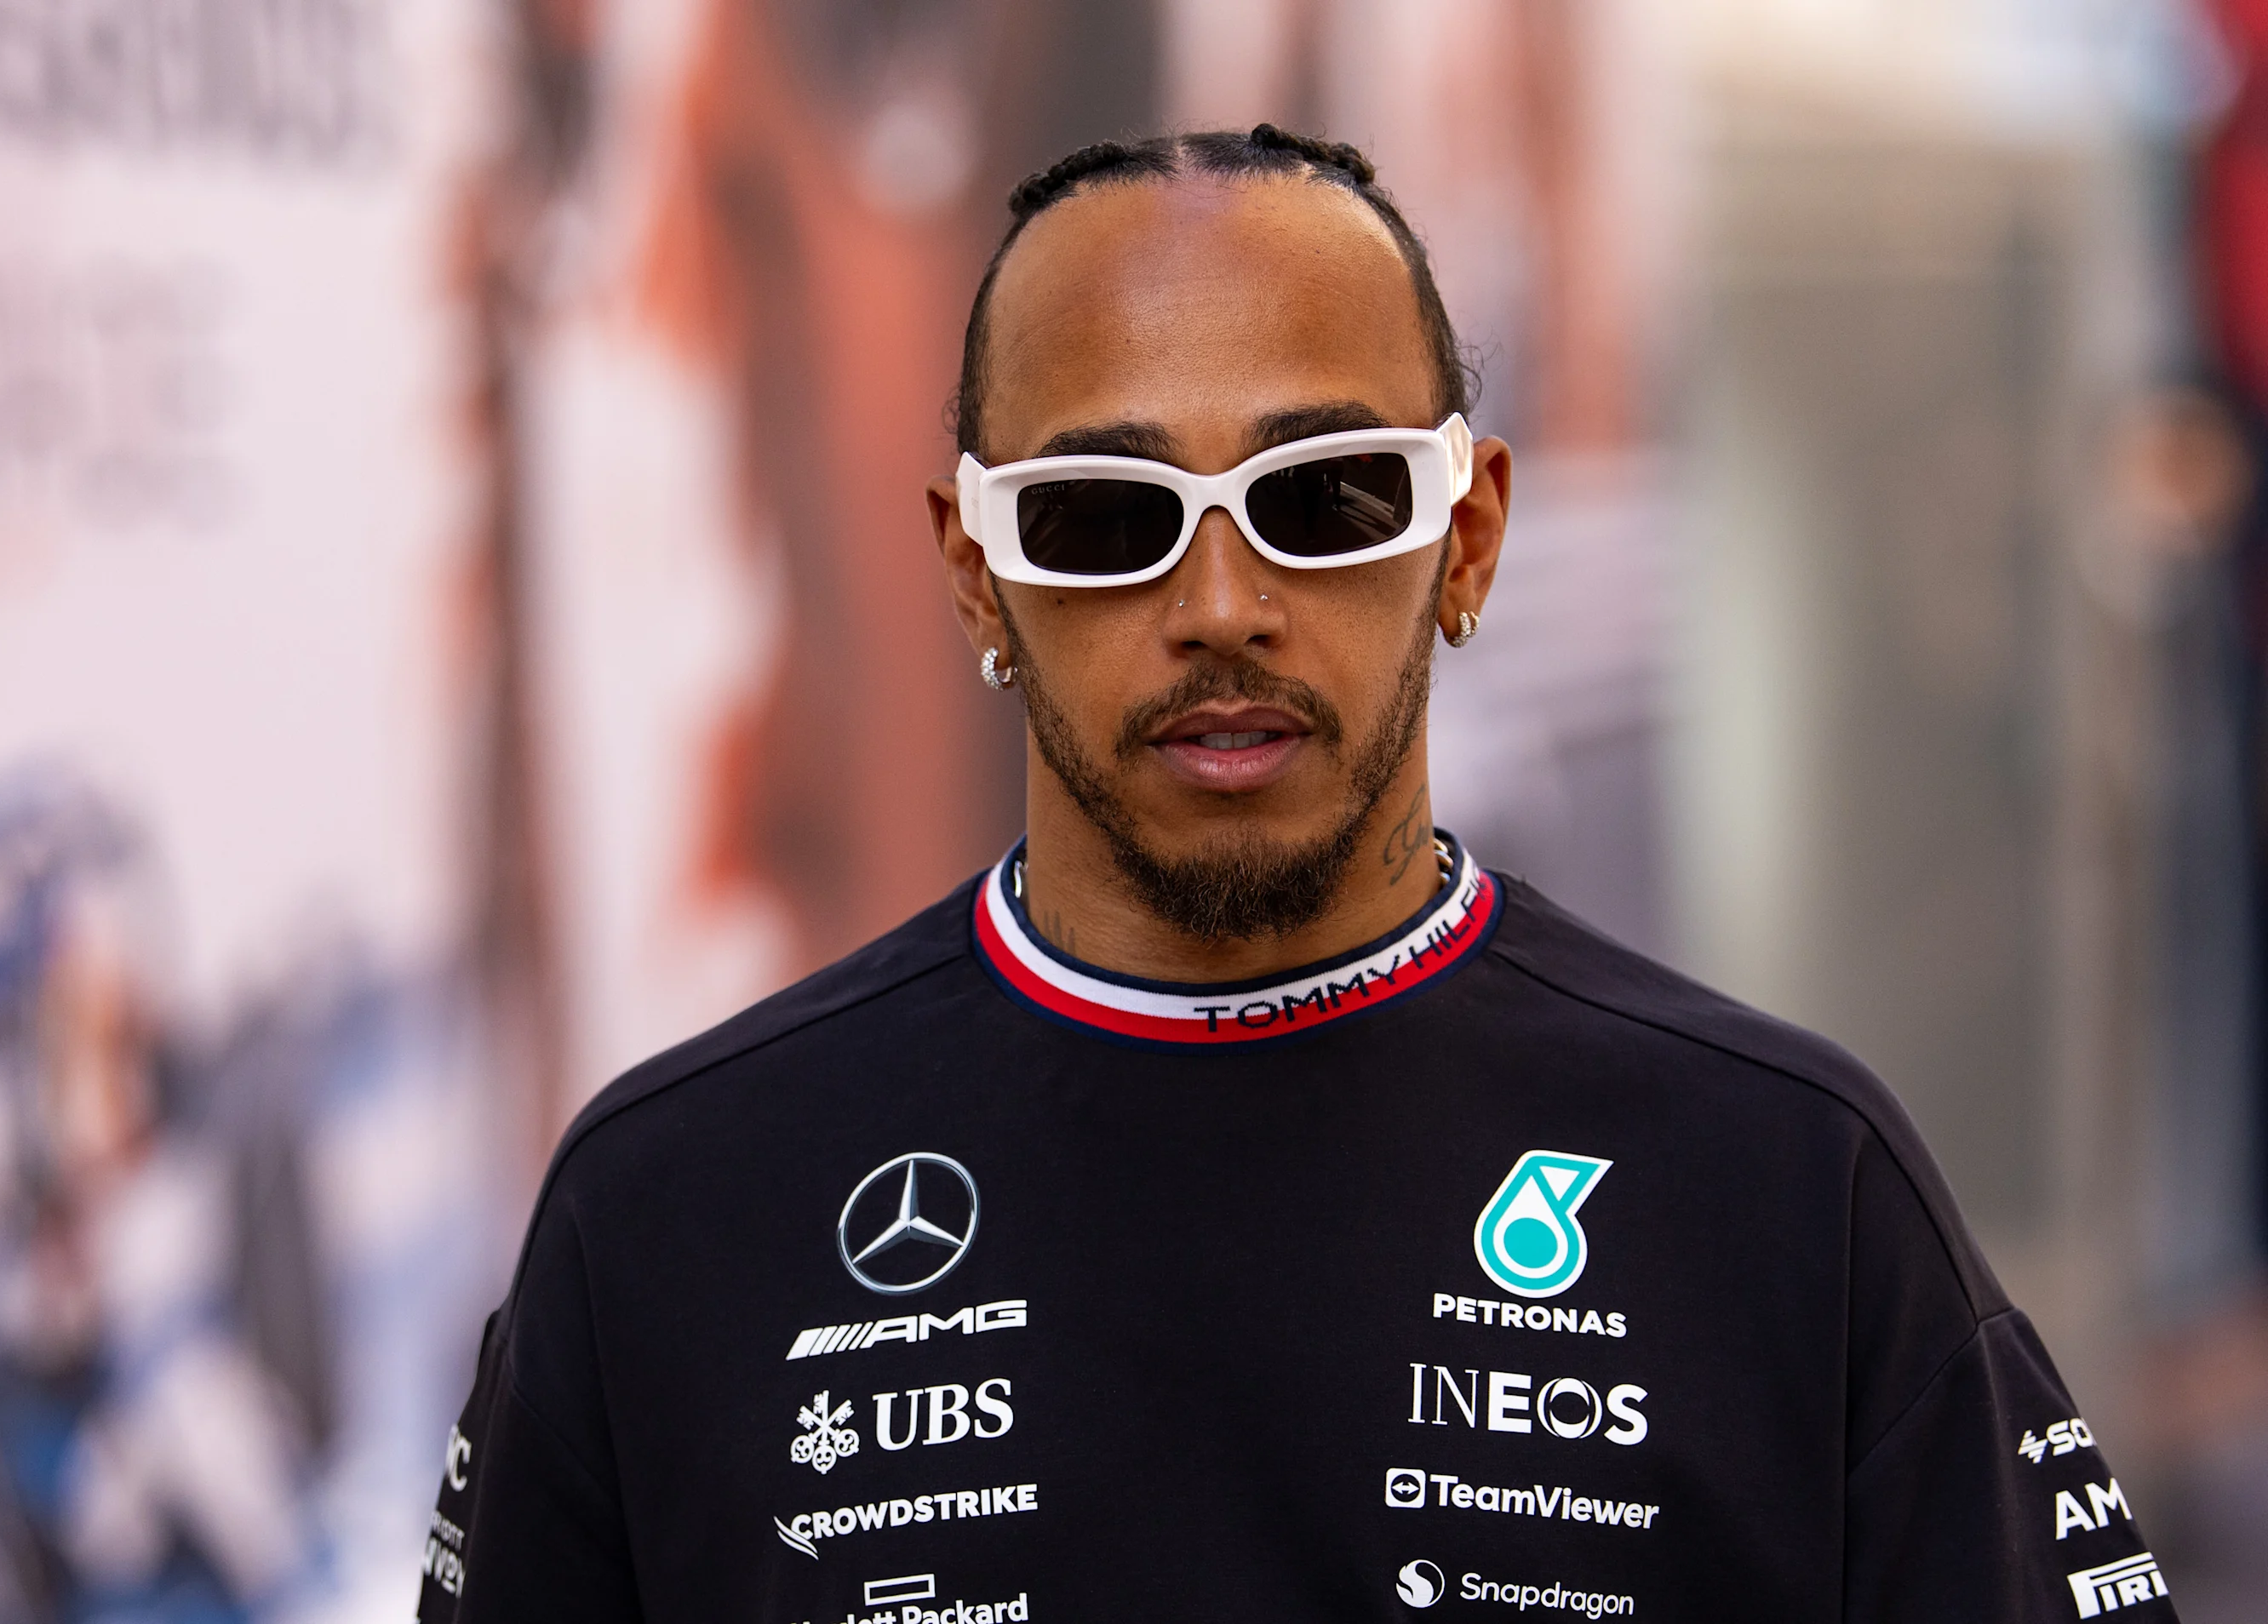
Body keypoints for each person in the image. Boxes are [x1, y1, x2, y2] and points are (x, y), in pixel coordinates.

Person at [415, 127, 2174, 1622]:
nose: (1219, 607)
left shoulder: (1793, 1191)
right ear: (971, 571)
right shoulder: (667, 1214)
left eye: (1322, 500)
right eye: (1105, 516)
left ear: (1466, 536)